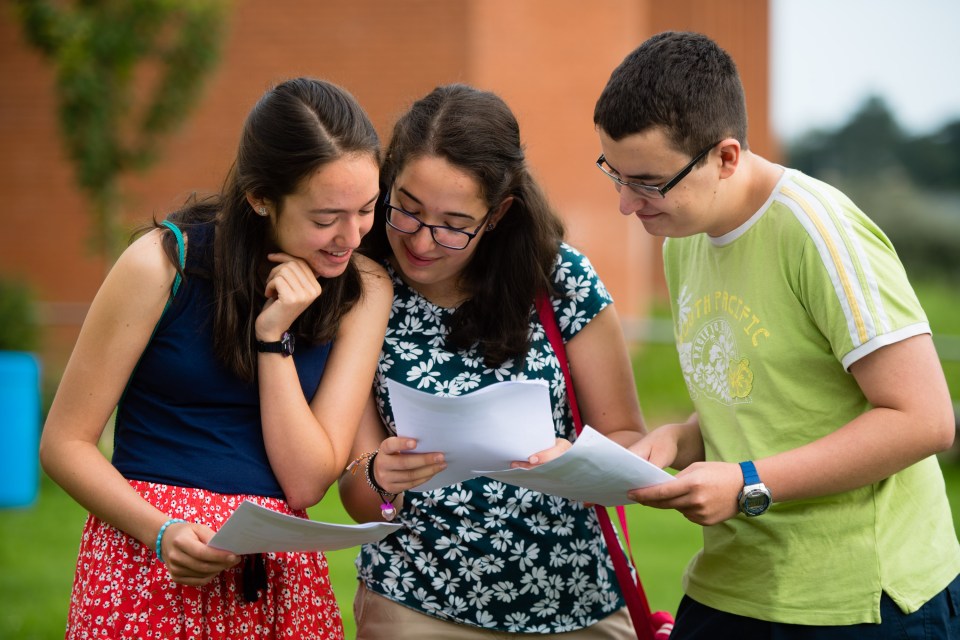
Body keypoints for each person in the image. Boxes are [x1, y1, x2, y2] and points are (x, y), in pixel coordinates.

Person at [593, 31, 960, 638]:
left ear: (726, 157)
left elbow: (925, 418)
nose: (627, 205)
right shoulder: (684, 236)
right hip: (732, 588)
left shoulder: (820, 232)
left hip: (862, 604)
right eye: (615, 173)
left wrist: (748, 484)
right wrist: (679, 443)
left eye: (649, 182)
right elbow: (768, 400)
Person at [39, 77, 392, 640]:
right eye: (325, 218)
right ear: (259, 197)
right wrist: (161, 532)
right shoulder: (161, 266)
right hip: (146, 561)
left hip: (277, 575)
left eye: (367, 210)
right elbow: (63, 444)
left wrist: (273, 339)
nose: (349, 238)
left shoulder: (364, 289)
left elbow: (304, 486)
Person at [337, 84, 647, 638]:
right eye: (405, 209)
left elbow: (626, 436)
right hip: (416, 602)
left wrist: (573, 461)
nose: (424, 241)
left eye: (454, 224)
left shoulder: (560, 280)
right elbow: (357, 496)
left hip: (576, 601)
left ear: (499, 213)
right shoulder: (361, 287)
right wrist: (381, 475)